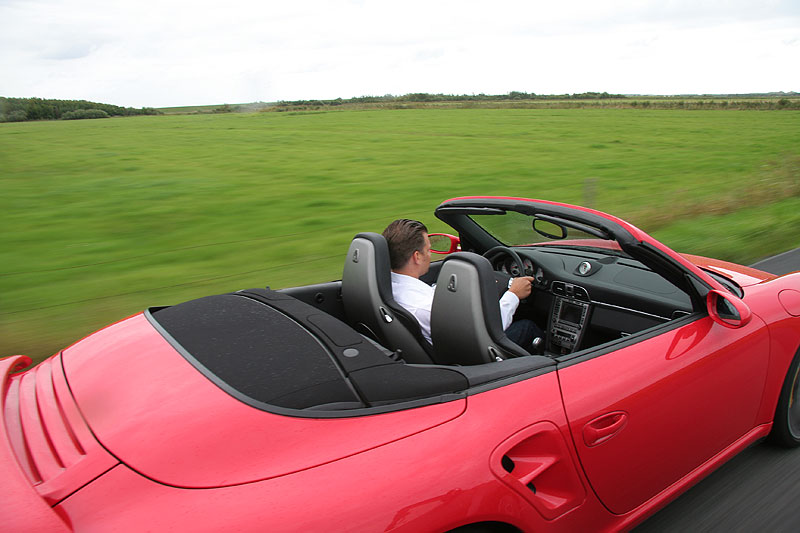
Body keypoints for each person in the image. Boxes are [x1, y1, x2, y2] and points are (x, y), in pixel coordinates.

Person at [382, 219, 543, 350]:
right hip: (475, 355)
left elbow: (433, 296)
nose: (430, 255)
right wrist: (513, 294)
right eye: (429, 250)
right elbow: (489, 329)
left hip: (448, 344)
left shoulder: (391, 286)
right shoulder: (426, 308)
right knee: (527, 327)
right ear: (417, 257)